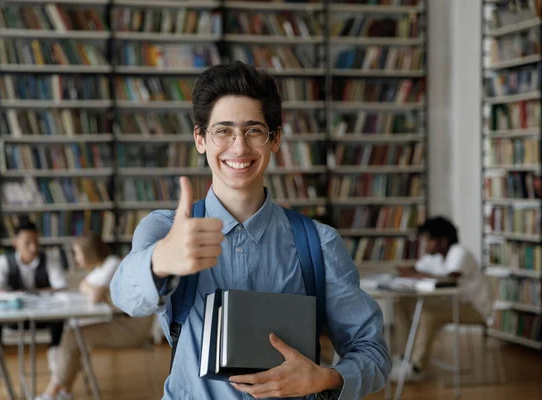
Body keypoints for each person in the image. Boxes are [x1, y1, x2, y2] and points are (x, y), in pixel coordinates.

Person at [110, 61, 391, 399]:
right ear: (200, 139)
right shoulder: (165, 230)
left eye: (254, 130)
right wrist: (159, 261)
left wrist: (325, 379)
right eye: (223, 130)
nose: (239, 147)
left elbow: (373, 352)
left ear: (275, 140)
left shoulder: (320, 243)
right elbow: (126, 298)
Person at [36, 233, 155, 400]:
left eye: (78, 253)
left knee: (73, 337)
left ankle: (52, 393)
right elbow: (83, 286)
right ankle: (63, 391)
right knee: (73, 335)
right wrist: (89, 287)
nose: (76, 259)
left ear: (88, 252)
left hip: (130, 327)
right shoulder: (101, 268)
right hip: (118, 321)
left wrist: (90, 288)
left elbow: (93, 295)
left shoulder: (113, 263)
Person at [391, 216, 494, 382]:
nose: (425, 244)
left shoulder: (459, 252)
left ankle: (417, 367)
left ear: (443, 241)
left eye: (428, 240)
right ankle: (405, 356)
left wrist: (416, 274)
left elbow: (450, 279)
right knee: (401, 303)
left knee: (429, 314)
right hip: (451, 303)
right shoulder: (435, 256)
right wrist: (410, 272)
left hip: (474, 308)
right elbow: (413, 270)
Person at [0, 220, 68, 379]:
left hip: (43, 316)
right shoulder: (3, 262)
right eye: (27, 243)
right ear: (16, 243)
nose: (33, 247)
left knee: (59, 318)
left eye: (36, 242)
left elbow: (61, 288)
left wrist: (26, 293)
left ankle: (56, 361)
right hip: (13, 316)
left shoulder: (50, 259)